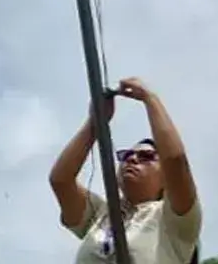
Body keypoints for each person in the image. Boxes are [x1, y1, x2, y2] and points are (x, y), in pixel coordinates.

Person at [48, 77, 200, 264]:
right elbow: (61, 181)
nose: (133, 159)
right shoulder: (101, 213)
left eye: (146, 157)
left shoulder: (173, 220)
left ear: (165, 177)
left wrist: (149, 98)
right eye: (126, 155)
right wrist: (95, 124)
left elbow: (175, 160)